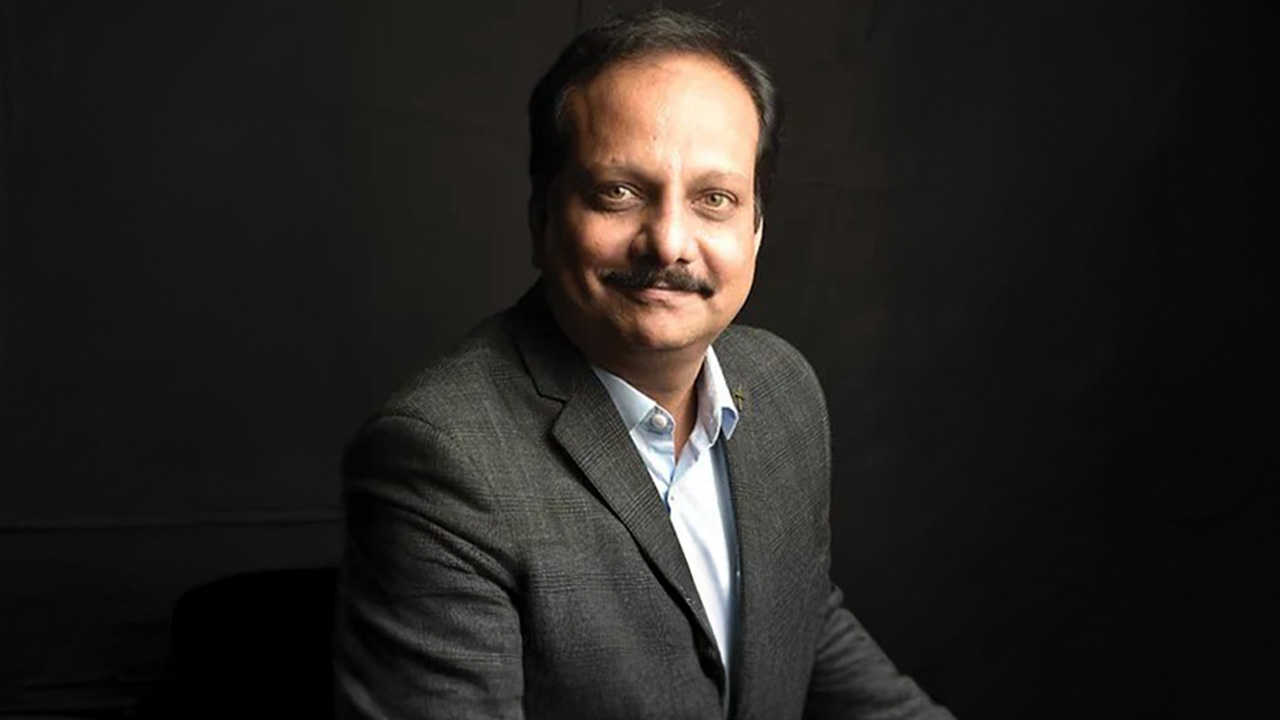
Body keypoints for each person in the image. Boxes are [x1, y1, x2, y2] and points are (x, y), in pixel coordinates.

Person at [333, 9, 955, 720]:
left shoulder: (783, 388)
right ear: (542, 218)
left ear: (756, 230)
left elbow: (802, 626)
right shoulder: (443, 460)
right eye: (618, 193)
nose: (668, 243)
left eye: (714, 199)